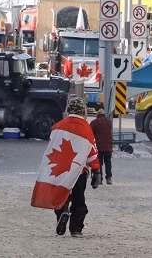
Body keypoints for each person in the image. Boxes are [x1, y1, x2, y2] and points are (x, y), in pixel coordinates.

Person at [52, 97, 101, 237]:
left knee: (61, 195)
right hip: (79, 170)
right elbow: (92, 151)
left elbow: (51, 148)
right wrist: (96, 170)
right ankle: (76, 229)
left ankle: (62, 212)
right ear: (83, 111)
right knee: (79, 200)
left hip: (60, 170)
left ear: (69, 110)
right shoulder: (86, 128)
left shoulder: (58, 126)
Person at [90, 109, 113, 185]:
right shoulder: (109, 122)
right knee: (108, 163)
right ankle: (109, 178)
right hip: (108, 147)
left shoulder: (94, 123)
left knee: (99, 163)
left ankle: (100, 179)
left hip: (98, 147)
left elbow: (90, 134)